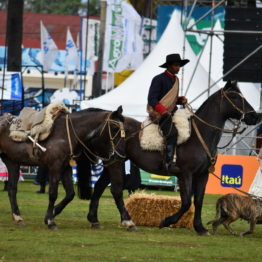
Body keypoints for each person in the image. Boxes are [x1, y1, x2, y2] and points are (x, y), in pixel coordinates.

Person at [147, 53, 189, 174]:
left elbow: (172, 99)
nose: (178, 68)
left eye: (179, 65)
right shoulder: (158, 79)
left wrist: (180, 100)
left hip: (172, 111)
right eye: (176, 65)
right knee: (172, 132)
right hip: (159, 113)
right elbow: (152, 99)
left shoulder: (175, 80)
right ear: (169, 66)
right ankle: (169, 162)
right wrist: (163, 110)